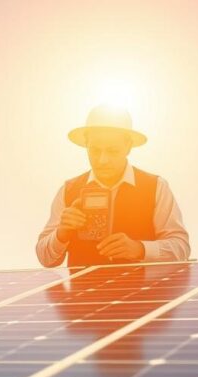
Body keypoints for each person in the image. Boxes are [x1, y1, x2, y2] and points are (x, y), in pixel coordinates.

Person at [36, 104, 190, 268]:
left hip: (144, 293)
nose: (103, 160)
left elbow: (181, 248)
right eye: (95, 150)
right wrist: (61, 233)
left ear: (128, 147)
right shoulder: (68, 190)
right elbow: (44, 258)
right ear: (86, 145)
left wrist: (140, 249)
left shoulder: (156, 187)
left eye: (113, 151)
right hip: (81, 292)